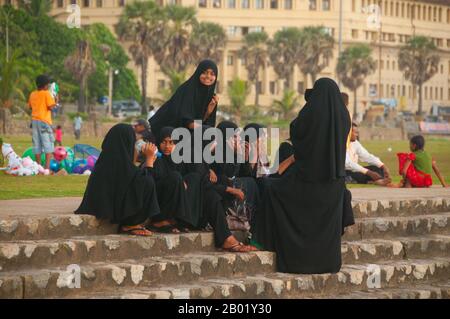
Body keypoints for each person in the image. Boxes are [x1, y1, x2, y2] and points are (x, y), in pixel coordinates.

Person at [252, 78, 353, 274]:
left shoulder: (311, 113)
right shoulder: (343, 116)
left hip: (307, 179)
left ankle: (265, 242)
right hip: (333, 182)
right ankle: (325, 261)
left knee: (271, 189)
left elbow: (296, 132)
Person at [75, 124, 160, 236]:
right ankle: (130, 224)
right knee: (147, 182)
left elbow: (131, 172)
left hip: (105, 207)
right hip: (114, 210)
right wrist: (149, 160)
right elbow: (145, 180)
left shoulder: (106, 162)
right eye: (132, 141)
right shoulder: (120, 166)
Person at [149, 60, 219, 136]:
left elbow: (205, 123)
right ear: (198, 73)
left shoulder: (212, 98)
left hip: (185, 136)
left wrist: (208, 113)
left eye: (212, 74)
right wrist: (207, 131)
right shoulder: (187, 90)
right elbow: (187, 122)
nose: (208, 76)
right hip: (163, 132)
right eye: (205, 72)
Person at [28, 74, 57, 169]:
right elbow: (51, 107)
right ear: (45, 85)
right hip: (44, 121)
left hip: (34, 121)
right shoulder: (46, 93)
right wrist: (56, 100)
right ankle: (47, 168)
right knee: (48, 143)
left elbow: (30, 107)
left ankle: (38, 167)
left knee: (37, 144)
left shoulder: (32, 94)